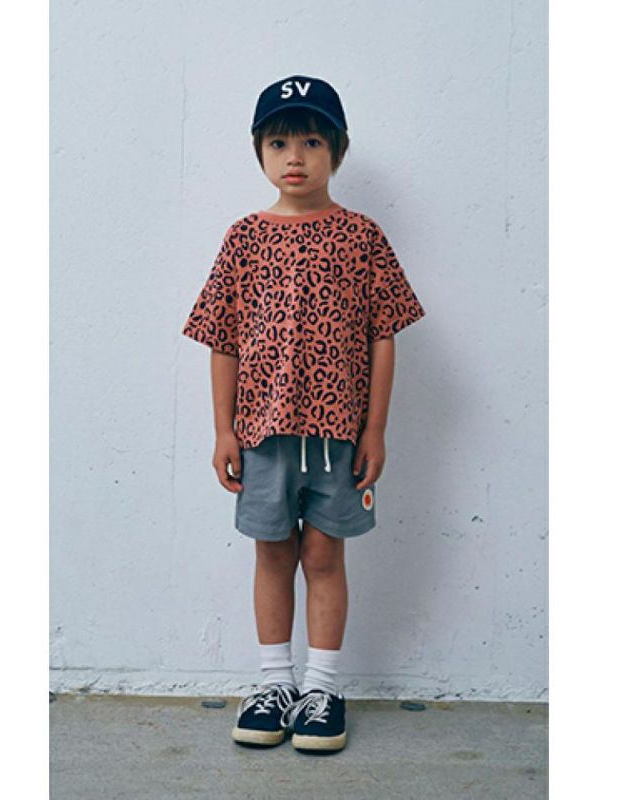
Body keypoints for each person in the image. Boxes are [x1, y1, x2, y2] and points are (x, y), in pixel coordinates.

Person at [181, 74, 426, 754]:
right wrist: (223, 429)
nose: (295, 156)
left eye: (312, 142)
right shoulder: (244, 238)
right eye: (280, 142)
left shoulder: (362, 237)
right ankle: (274, 684)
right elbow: (223, 339)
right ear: (259, 151)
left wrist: (375, 428)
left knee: (323, 554)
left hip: (338, 436)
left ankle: (322, 689)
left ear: (337, 152)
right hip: (262, 434)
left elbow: (383, 334)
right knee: (272, 553)